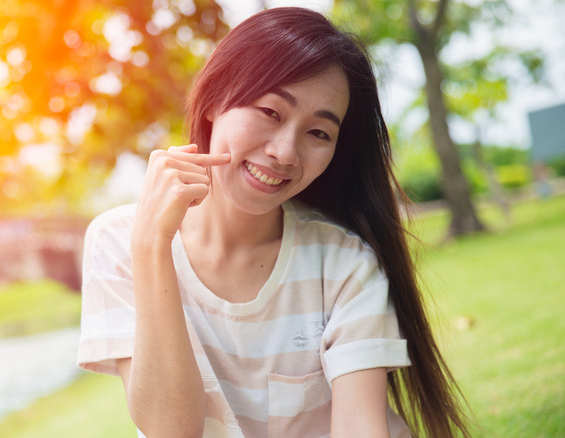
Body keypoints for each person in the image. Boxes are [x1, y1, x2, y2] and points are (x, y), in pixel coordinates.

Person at [77, 7, 471, 438]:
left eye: (318, 133)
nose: (285, 152)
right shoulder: (120, 242)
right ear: (213, 102)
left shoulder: (343, 262)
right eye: (270, 111)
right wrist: (152, 244)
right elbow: (172, 431)